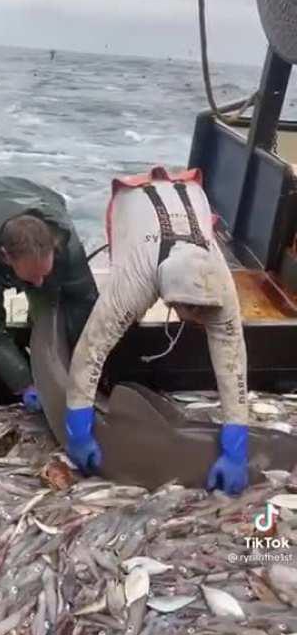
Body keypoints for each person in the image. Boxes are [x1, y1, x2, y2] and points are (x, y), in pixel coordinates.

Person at [65, 166, 249, 496]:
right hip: (133, 205)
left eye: (206, 310)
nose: (200, 318)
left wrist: (236, 439)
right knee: (109, 327)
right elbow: (90, 349)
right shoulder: (135, 282)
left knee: (225, 335)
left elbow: (232, 360)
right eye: (192, 311)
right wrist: (77, 424)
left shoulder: (220, 285)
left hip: (188, 202)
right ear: (166, 297)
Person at [0, 176, 97, 409]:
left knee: (50, 294)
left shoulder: (66, 243)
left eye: (44, 272)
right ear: (5, 256)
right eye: (30, 276)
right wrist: (23, 381)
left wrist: (81, 362)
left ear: (54, 249)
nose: (38, 283)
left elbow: (84, 299)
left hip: (40, 195)